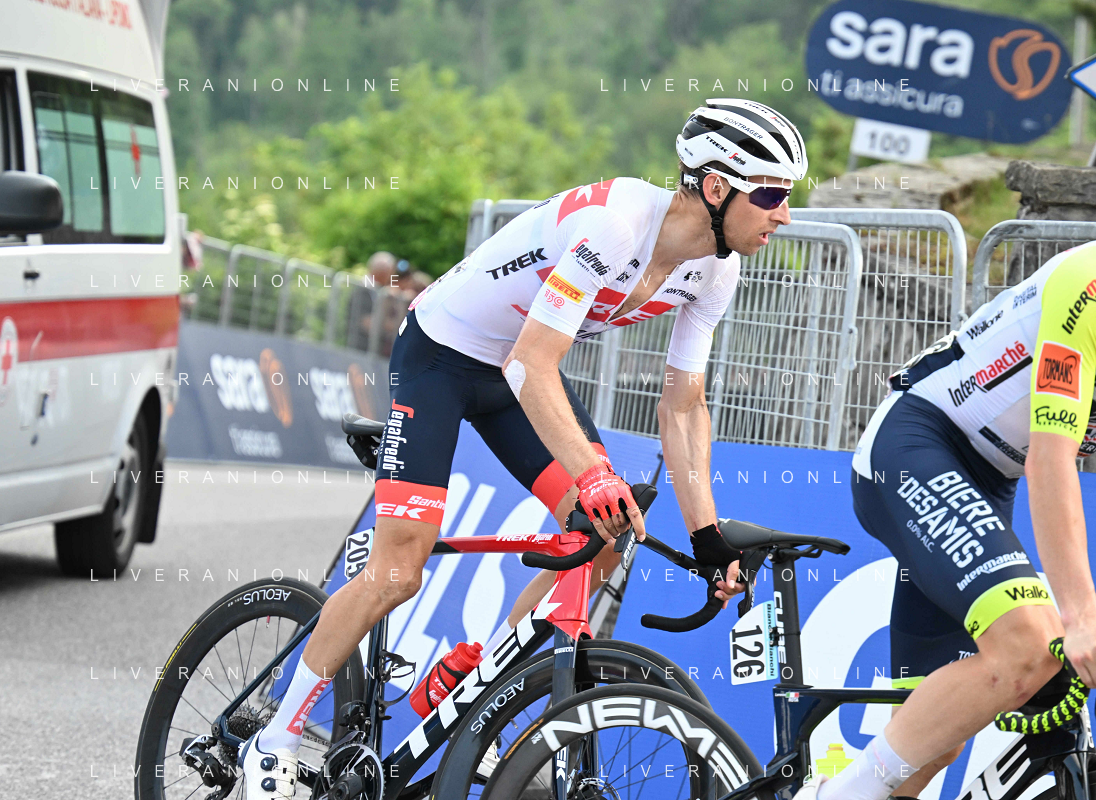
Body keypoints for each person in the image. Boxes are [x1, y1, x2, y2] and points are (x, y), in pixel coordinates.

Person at [240, 98, 809, 798]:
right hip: (443, 357)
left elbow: (683, 405)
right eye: (771, 195)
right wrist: (593, 473)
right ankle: (274, 739)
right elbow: (532, 365)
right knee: (399, 570)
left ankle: (479, 680)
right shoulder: (615, 225)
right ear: (716, 188)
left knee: (605, 534)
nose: (784, 214)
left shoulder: (715, 269)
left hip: (514, 369)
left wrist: (707, 535)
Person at [796, 245, 1096, 800]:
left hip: (989, 478)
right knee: (1031, 644)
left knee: (935, 740)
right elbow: (1050, 459)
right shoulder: (1089, 282)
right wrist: (1081, 614)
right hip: (919, 441)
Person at [347, 251, 398, 351]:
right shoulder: (362, 290)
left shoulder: (380, 290)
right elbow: (366, 323)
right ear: (383, 272)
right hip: (359, 348)